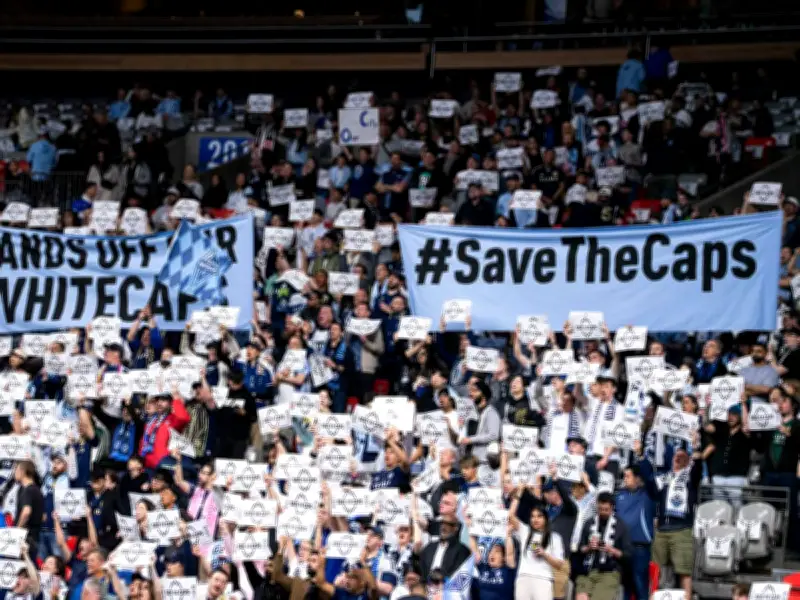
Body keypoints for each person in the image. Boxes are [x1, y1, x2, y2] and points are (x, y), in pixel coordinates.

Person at [575, 492, 631, 600]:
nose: (603, 512)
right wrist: (589, 547)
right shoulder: (589, 523)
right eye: (600, 509)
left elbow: (628, 555)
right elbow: (579, 549)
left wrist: (611, 549)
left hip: (609, 573)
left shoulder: (621, 526)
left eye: (606, 509)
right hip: (588, 571)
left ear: (612, 508)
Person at [508, 502, 566, 600]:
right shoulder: (525, 531)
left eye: (539, 516)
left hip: (543, 579)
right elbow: (510, 516)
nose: (535, 519)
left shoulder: (555, 538)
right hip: (523, 577)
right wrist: (518, 495)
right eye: (533, 516)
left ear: (546, 518)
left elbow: (559, 564)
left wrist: (544, 554)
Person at [14, 460, 44, 560]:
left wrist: (17, 530)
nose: (15, 472)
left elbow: (26, 512)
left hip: (26, 538)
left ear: (22, 471)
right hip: (35, 537)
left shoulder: (28, 490)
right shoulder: (37, 490)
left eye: (16, 469)